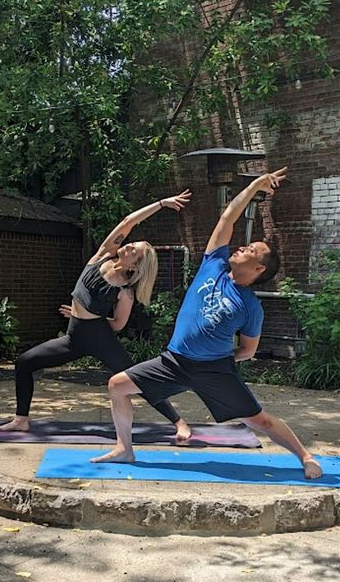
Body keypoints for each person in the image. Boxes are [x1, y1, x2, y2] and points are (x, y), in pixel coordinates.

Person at [91, 167, 323, 479]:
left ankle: (306, 457)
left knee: (260, 421)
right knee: (117, 386)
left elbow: (248, 349)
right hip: (173, 361)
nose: (241, 247)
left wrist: (221, 361)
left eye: (250, 250)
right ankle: (125, 449)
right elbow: (227, 218)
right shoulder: (213, 264)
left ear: (257, 268)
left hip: (214, 370)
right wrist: (255, 186)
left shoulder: (251, 306)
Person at [0, 191, 195, 441]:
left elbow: (118, 325)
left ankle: (179, 422)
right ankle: (21, 419)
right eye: (133, 243)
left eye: (135, 249)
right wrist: (162, 203)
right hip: (74, 337)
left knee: (136, 380)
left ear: (135, 265)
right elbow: (127, 222)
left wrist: (90, 319)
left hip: (100, 338)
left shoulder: (125, 292)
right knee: (24, 362)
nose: (129, 244)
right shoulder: (102, 255)